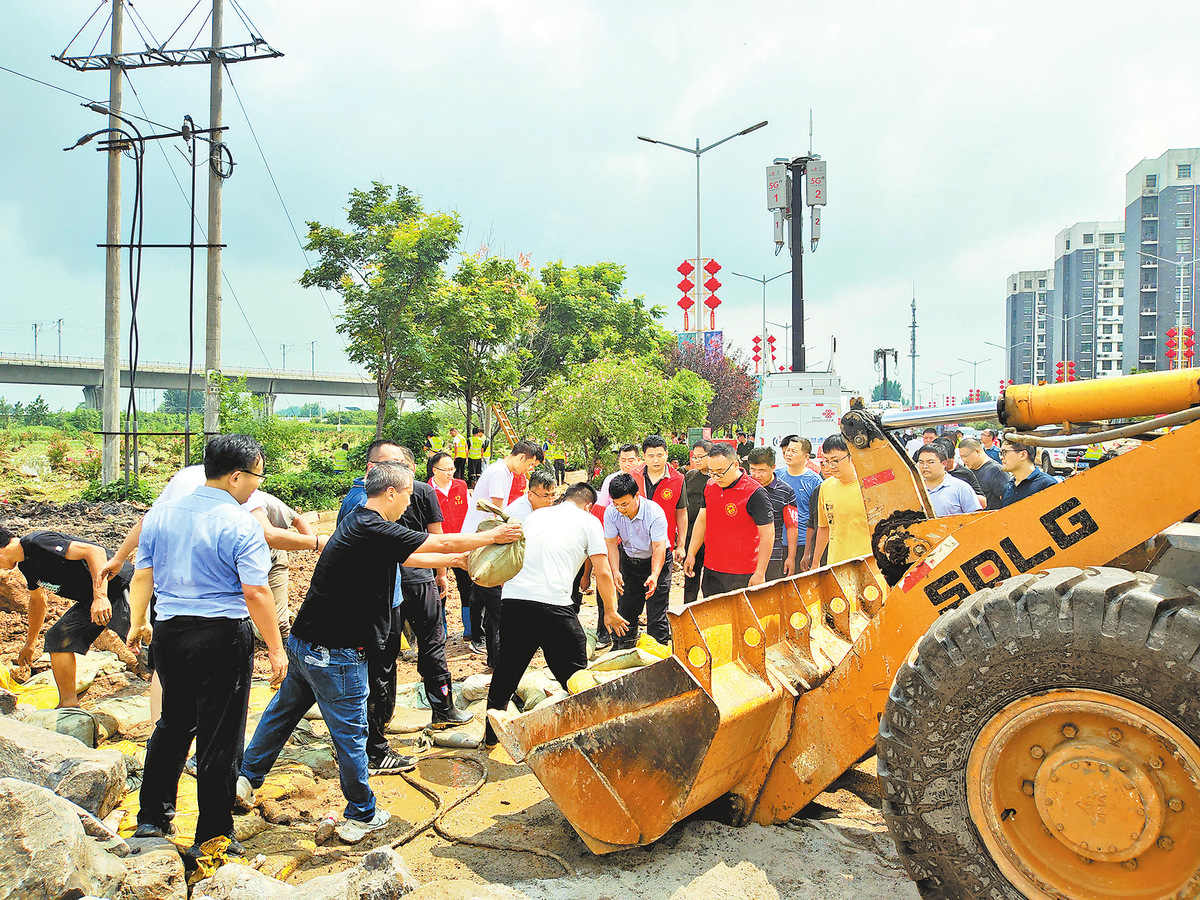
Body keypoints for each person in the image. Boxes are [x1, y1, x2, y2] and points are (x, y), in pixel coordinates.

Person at [237, 461, 521, 843]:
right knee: (352, 735)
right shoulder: (374, 526)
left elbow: (413, 556)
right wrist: (493, 537)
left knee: (281, 713)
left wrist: (457, 562)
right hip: (337, 653)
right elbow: (442, 541)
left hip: (306, 644)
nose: (410, 501)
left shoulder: (360, 520)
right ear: (390, 493)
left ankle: (246, 779)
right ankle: (361, 813)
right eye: (407, 494)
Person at [126, 435, 284, 856]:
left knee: (174, 723)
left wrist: (138, 623)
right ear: (236, 476)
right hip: (221, 634)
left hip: (170, 630)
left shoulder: (160, 513)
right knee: (221, 735)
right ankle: (213, 834)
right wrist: (276, 647)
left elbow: (142, 576)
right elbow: (256, 593)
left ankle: (151, 820)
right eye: (257, 476)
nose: (257, 485)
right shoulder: (240, 522)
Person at [484, 483, 628, 747]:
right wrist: (610, 611)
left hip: (515, 601)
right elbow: (604, 571)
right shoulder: (588, 521)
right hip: (554, 605)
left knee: (506, 672)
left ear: (563, 498)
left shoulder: (534, 516)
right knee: (576, 676)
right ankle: (591, 739)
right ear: (589, 505)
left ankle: (490, 739)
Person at [0, 527, 135, 709]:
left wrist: (100, 597)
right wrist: (30, 644)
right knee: (58, 638)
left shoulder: (36, 542)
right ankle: (69, 704)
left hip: (121, 585)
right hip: (93, 599)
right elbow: (38, 602)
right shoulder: (26, 565)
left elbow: (94, 552)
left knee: (145, 643)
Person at [462, 440, 545, 664]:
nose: (529, 469)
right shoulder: (500, 473)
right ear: (521, 458)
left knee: (489, 603)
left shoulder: (505, 472)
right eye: (530, 464)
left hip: (483, 541)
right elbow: (496, 515)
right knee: (496, 607)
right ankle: (499, 659)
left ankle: (494, 654)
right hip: (482, 543)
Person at [684, 443, 774, 595]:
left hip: (742, 571)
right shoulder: (710, 486)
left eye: (720, 472)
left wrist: (760, 572)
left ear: (735, 465)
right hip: (712, 567)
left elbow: (768, 534)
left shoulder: (754, 493)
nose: (716, 477)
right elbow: (702, 521)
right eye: (711, 472)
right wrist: (691, 553)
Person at [604, 473, 671, 649]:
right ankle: (623, 647)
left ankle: (659, 651)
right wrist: (615, 571)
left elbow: (659, 547)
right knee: (626, 608)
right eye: (616, 504)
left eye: (625, 504)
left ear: (637, 496)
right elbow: (611, 543)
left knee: (656, 609)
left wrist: (655, 575)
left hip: (656, 560)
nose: (620, 508)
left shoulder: (654, 512)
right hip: (629, 561)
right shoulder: (611, 512)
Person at [257, 492, 317, 644]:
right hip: (245, 566)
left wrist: (315, 546)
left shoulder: (267, 502)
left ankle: (286, 644)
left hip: (274, 559)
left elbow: (298, 519)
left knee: (278, 622)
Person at [428, 450, 473, 641]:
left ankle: (470, 628)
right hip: (436, 548)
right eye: (445, 469)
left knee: (468, 587)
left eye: (452, 469)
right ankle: (441, 630)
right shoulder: (425, 491)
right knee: (439, 588)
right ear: (433, 470)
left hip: (461, 545)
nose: (450, 473)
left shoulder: (461, 486)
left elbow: (471, 515)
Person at [808, 435, 871, 568]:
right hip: (836, 564)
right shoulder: (825, 487)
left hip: (868, 563)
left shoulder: (870, 486)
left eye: (835, 460)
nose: (831, 466)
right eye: (827, 461)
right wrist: (815, 562)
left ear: (852, 456)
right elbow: (824, 527)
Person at [631, 435, 688, 563]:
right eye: (651, 456)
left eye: (659, 455)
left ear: (666, 454)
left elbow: (682, 512)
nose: (655, 460)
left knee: (661, 582)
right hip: (635, 545)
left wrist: (681, 545)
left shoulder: (678, 479)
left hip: (664, 543)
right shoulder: (633, 475)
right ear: (644, 456)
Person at [747, 447, 799, 581]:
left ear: (773, 467)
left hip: (773, 556)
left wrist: (791, 557)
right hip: (745, 556)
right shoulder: (744, 487)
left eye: (762, 470)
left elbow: (791, 526)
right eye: (753, 470)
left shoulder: (786, 491)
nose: (756, 475)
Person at [775, 435, 823, 569]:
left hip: (803, 543)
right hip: (780, 542)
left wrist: (808, 552)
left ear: (806, 457)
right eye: (788, 450)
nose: (789, 454)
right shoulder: (777, 476)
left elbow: (817, 518)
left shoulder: (814, 481)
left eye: (794, 451)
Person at [681, 440, 712, 604]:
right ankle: (688, 612)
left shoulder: (718, 479)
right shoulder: (691, 476)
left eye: (701, 457)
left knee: (711, 581)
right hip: (691, 535)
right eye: (694, 457)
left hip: (712, 537)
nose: (697, 460)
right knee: (691, 578)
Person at [915, 444, 980, 516]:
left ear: (944, 463)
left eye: (931, 462)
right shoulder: (914, 488)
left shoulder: (960, 487)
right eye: (921, 462)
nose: (925, 466)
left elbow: (976, 518)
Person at [999, 439, 1058, 507]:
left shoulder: (1047, 485)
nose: (1001, 457)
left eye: (1004, 452)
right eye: (1000, 453)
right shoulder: (1008, 488)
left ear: (1023, 455)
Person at [933, 437, 986, 508]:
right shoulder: (925, 475)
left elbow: (983, 502)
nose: (943, 466)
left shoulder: (965, 474)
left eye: (947, 463)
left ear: (954, 456)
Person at [958, 438, 1010, 510]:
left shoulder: (996, 471)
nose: (963, 460)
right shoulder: (969, 472)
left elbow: (1007, 502)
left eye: (965, 456)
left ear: (977, 452)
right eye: (961, 457)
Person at [595, 444, 641, 511]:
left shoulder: (643, 479)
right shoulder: (609, 480)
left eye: (631, 460)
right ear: (619, 461)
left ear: (638, 460)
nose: (626, 464)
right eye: (623, 460)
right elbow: (602, 506)